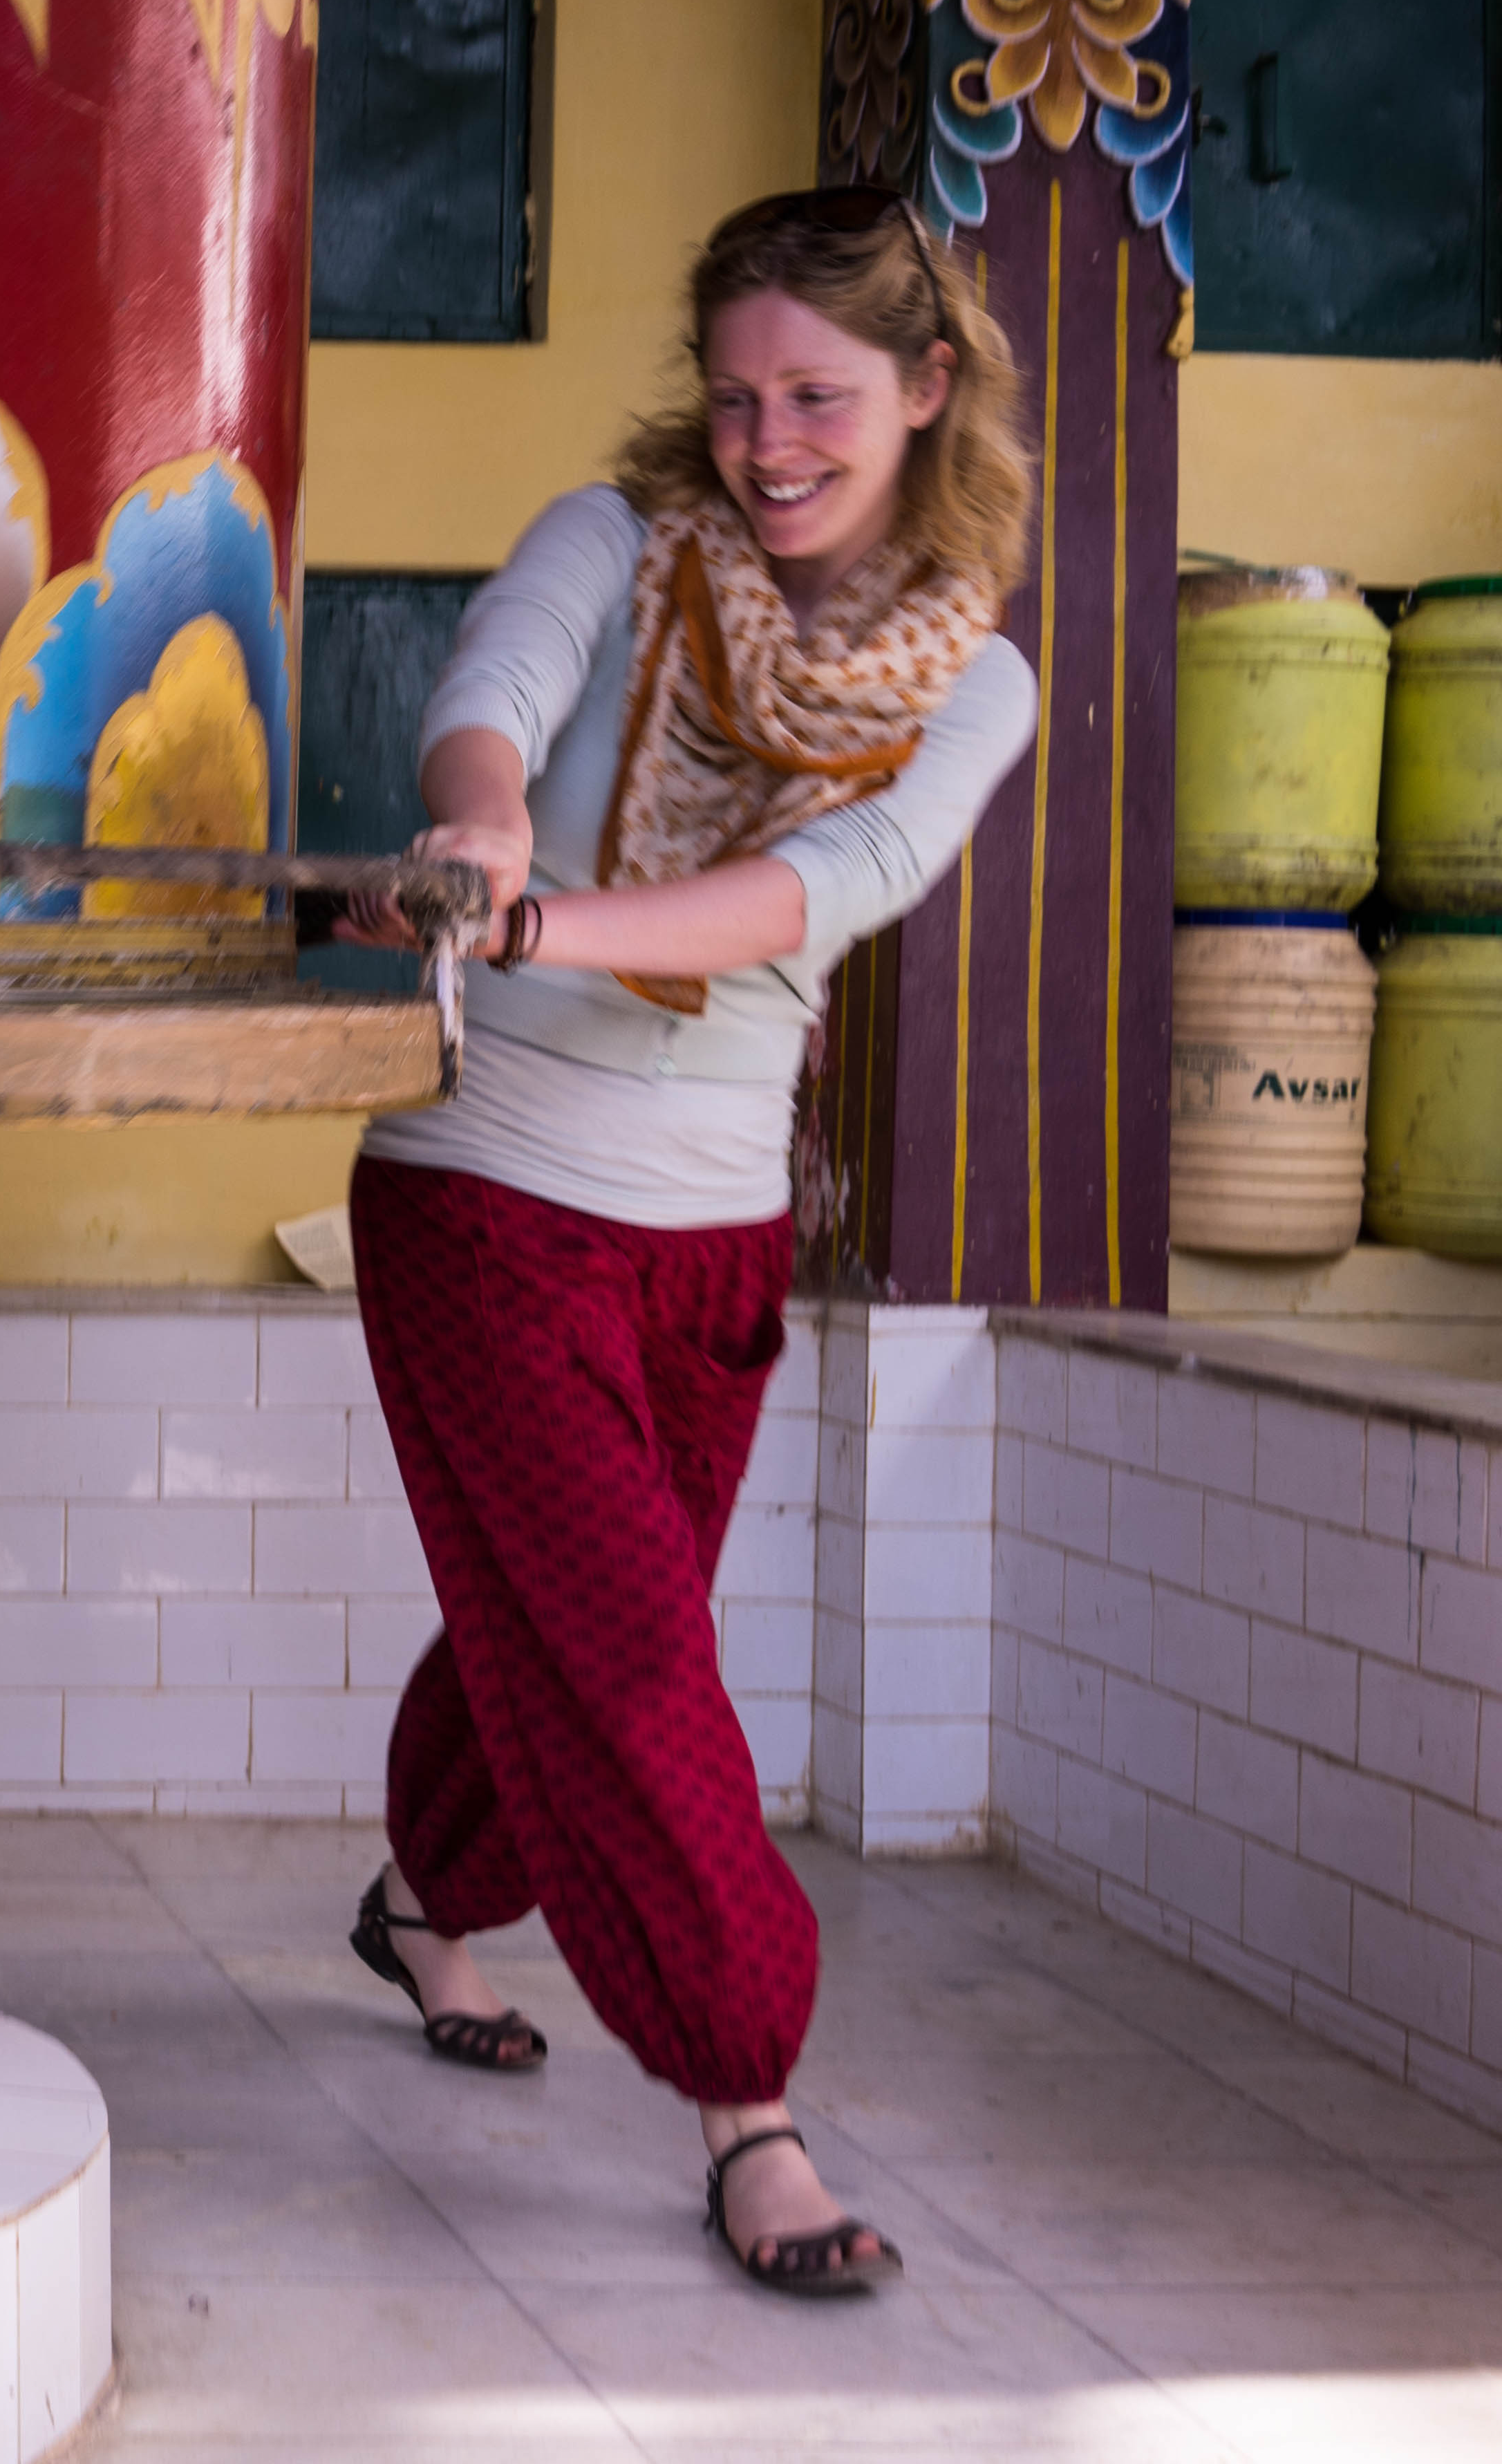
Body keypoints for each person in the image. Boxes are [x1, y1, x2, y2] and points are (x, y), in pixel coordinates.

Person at [334, 186, 1039, 2297]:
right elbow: (494, 688)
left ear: (925, 389)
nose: (768, 444)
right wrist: (479, 819)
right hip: (482, 1197)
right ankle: (754, 2115)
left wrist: (541, 920)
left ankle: (416, 1902)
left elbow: (833, 882)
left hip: (712, 1247)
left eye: (817, 397)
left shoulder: (974, 679)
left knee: (554, 1626)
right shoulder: (617, 548)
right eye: (734, 399)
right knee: (632, 1655)